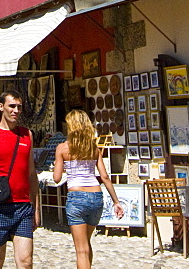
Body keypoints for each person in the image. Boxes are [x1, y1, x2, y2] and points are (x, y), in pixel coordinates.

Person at [0, 91, 39, 269]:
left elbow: (32, 173)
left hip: (23, 206)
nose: (16, 111)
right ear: (1, 107)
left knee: (26, 262)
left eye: (19, 107)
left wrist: (36, 207)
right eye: (12, 106)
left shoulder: (27, 135)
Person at [53, 110, 124, 269]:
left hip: (76, 196)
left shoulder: (63, 148)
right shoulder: (94, 148)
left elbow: (56, 178)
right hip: (95, 196)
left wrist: (65, 168)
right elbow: (104, 176)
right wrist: (116, 201)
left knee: (81, 250)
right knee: (86, 243)